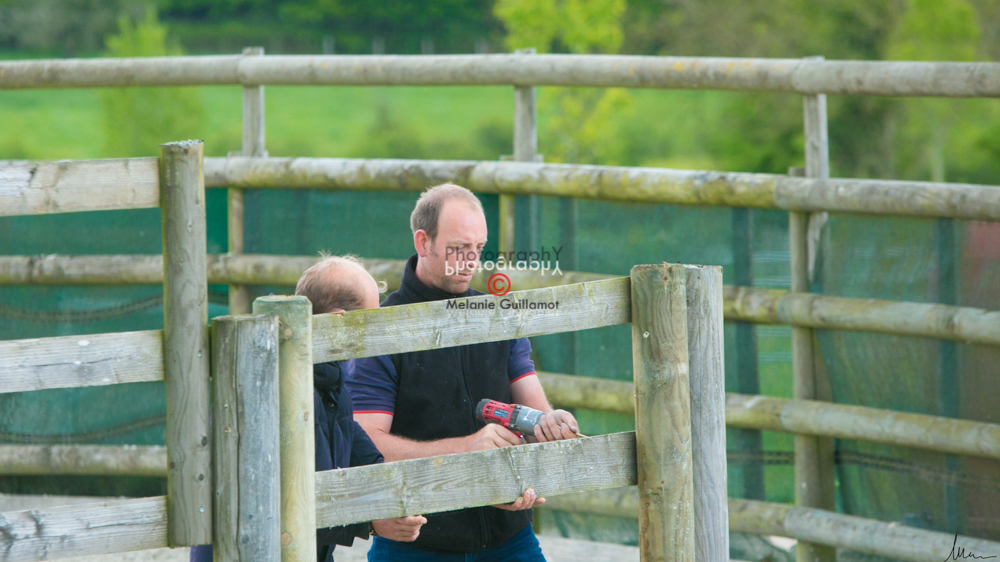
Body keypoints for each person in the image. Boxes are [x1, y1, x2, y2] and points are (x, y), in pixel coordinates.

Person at [347, 184, 581, 561]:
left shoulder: (500, 317)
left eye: (478, 248)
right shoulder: (381, 329)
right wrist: (467, 449)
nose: (471, 261)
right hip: (415, 542)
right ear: (423, 242)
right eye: (459, 248)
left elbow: (537, 417)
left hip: (510, 538)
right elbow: (367, 443)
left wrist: (552, 428)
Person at [188, 255, 426, 562]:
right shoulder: (271, 384)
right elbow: (285, 498)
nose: (374, 330)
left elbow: (362, 455)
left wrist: (389, 497)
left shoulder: (329, 380)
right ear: (339, 320)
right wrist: (371, 520)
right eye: (369, 319)